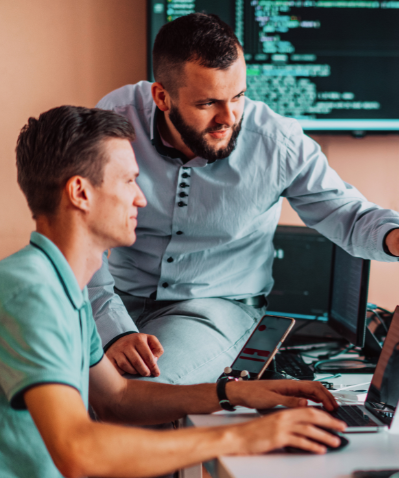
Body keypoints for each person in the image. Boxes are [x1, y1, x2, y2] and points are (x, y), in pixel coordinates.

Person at [90, 12, 399, 384]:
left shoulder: (277, 142)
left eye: (238, 96)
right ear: (162, 97)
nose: (228, 118)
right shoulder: (115, 124)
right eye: (207, 104)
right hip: (116, 298)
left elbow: (344, 211)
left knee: (140, 387)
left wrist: (395, 238)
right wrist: (112, 326)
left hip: (216, 309)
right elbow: (79, 231)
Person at [0, 105, 347, 478]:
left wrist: (232, 394)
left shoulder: (65, 288)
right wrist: (243, 436)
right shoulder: (31, 293)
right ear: (80, 193)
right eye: (128, 181)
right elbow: (78, 451)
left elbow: (118, 399)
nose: (140, 199)